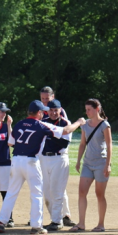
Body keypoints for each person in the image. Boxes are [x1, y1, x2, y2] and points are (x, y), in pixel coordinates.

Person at [0, 100, 84, 234]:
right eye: (42, 111)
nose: (44, 113)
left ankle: (2, 221)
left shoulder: (19, 124)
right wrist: (79, 122)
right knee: (36, 194)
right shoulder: (41, 125)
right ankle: (36, 226)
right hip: (31, 161)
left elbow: (10, 143)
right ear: (38, 113)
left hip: (16, 160)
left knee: (11, 192)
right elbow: (66, 130)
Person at [73, 99, 112, 232]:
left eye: (89, 109)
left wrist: (108, 164)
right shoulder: (85, 125)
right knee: (82, 192)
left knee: (99, 194)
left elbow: (109, 145)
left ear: (97, 109)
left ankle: (101, 224)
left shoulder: (104, 125)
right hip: (87, 163)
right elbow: (82, 143)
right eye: (86, 110)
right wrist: (78, 161)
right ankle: (81, 223)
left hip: (101, 163)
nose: (87, 112)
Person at [39, 86, 75, 226]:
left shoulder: (64, 121)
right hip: (44, 158)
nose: (53, 112)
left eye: (56, 110)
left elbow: (62, 142)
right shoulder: (44, 119)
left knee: (57, 190)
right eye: (51, 110)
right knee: (47, 191)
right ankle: (56, 217)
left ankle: (60, 218)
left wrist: (50, 136)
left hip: (59, 157)